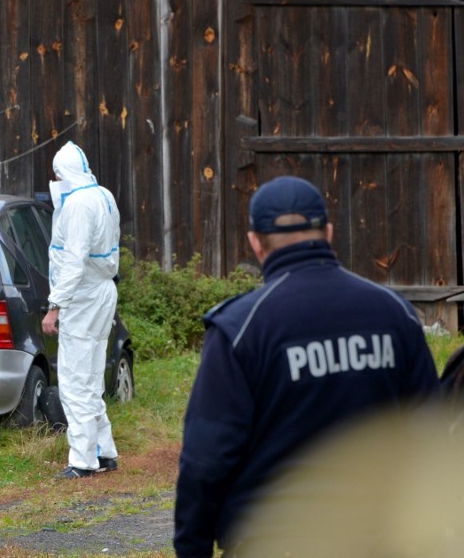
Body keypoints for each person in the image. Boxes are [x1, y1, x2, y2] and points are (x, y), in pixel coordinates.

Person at [172, 175, 440, 557]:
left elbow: (206, 459)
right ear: (328, 232)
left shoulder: (241, 328)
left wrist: (191, 548)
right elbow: (430, 437)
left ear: (254, 241)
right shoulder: (394, 313)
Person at [41, 141, 121, 479]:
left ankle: (82, 461)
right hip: (102, 291)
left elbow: (73, 261)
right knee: (90, 378)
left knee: (74, 381)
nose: (55, 179)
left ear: (64, 172)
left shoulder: (76, 205)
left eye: (57, 173)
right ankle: (104, 452)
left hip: (83, 297)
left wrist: (54, 306)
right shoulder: (103, 195)